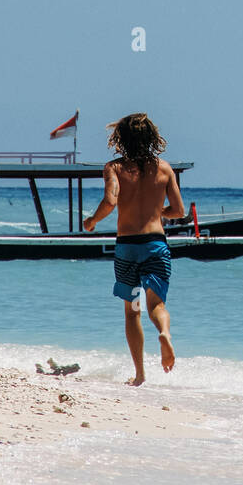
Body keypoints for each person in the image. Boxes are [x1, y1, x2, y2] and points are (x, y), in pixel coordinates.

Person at [84, 113, 186, 382]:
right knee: (157, 304)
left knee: (132, 311)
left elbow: (110, 201)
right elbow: (179, 211)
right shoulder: (164, 169)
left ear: (121, 139)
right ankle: (164, 332)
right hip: (155, 244)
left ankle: (140, 374)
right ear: (152, 137)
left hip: (127, 247)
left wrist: (92, 220)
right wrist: (158, 210)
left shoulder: (114, 168)